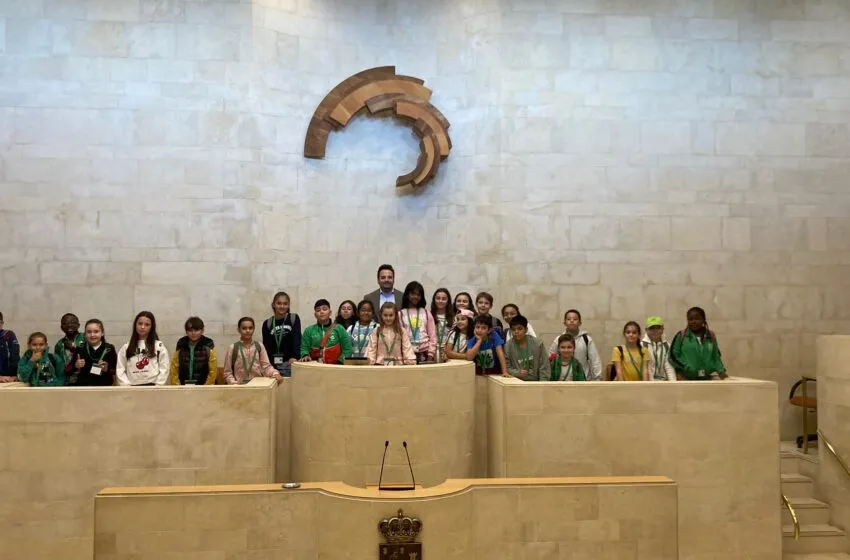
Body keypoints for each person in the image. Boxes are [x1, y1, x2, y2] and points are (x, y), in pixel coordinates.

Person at [670, 307, 728, 381]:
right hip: (685, 379)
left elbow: (716, 357)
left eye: (697, 318)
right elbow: (673, 357)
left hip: (705, 378)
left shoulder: (711, 335)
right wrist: (686, 367)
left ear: (703, 320)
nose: (693, 321)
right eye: (690, 319)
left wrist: (721, 372)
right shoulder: (681, 335)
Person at [116, 311, 169, 386]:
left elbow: (164, 369)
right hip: (132, 388)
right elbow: (120, 369)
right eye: (140, 324)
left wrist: (158, 386)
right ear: (135, 325)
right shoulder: (126, 347)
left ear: (152, 327)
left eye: (147, 324)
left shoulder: (159, 346)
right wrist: (127, 386)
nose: (143, 327)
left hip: (153, 387)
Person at [548, 309, 603, 381]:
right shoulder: (558, 339)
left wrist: (598, 377)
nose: (572, 321)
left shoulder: (586, 339)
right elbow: (550, 358)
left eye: (575, 319)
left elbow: (595, 360)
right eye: (568, 319)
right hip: (561, 382)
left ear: (580, 322)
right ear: (564, 323)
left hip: (583, 380)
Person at [223, 317, 282, 384]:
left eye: (250, 328)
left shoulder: (259, 346)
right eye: (244, 328)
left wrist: (275, 373)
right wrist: (233, 383)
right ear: (239, 330)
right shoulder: (233, 348)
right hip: (239, 386)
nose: (247, 330)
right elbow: (227, 373)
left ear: (254, 329)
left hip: (258, 385)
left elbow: (266, 367)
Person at [261, 291, 301, 378]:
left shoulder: (294, 318)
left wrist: (295, 357)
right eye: (279, 303)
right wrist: (269, 366)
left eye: (285, 304)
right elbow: (266, 346)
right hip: (273, 366)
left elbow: (297, 339)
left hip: (291, 364)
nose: (282, 306)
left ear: (289, 305)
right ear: (273, 305)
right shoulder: (267, 323)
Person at [300, 299, 352, 364]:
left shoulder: (339, 328)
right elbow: (304, 348)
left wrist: (339, 363)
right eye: (318, 310)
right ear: (315, 315)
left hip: (336, 368)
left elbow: (348, 349)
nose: (321, 312)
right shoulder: (309, 330)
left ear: (330, 312)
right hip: (315, 368)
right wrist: (305, 355)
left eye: (324, 309)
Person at [68, 319, 118, 386]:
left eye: (96, 331)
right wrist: (76, 365)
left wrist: (107, 369)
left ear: (102, 333)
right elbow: (69, 369)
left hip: (104, 386)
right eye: (89, 332)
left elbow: (116, 370)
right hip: (84, 386)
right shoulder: (80, 348)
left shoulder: (109, 348)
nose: (92, 335)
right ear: (85, 334)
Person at [168, 316, 217, 385]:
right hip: (183, 386)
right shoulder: (181, 344)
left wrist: (206, 387)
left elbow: (213, 371)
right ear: (186, 332)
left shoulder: (208, 344)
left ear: (202, 330)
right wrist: (177, 386)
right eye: (190, 330)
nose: (193, 333)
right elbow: (174, 369)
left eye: (196, 330)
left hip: (203, 387)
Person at [399, 281, 436, 362]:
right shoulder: (401, 314)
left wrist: (431, 354)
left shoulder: (426, 312)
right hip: (408, 353)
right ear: (407, 295)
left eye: (418, 294)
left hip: (425, 352)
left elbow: (432, 336)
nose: (415, 296)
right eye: (413, 294)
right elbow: (400, 337)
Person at [504, 315, 548, 381]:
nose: (516, 331)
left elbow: (544, 365)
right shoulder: (508, 346)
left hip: (536, 382)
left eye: (519, 329)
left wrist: (543, 383)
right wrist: (517, 373)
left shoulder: (537, 343)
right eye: (513, 329)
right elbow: (506, 366)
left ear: (526, 329)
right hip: (517, 382)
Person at [643, 316, 676, 382]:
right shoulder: (642, 346)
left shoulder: (667, 346)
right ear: (646, 330)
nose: (655, 330)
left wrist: (673, 383)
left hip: (663, 382)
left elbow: (669, 367)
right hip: (648, 382)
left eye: (658, 328)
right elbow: (646, 368)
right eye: (651, 328)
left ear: (663, 329)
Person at [54, 313, 84, 378]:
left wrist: (73, 347)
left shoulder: (85, 338)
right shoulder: (59, 344)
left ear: (78, 325)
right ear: (61, 327)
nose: (69, 325)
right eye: (65, 323)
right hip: (67, 380)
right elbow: (59, 366)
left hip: (84, 378)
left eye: (73, 322)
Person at [431, 288, 454, 363]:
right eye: (438, 298)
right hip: (432, 352)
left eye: (444, 299)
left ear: (448, 301)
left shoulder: (454, 318)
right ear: (434, 300)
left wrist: (448, 352)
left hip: (448, 353)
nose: (440, 301)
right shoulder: (429, 315)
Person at [0, 311, 20, 383]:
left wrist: (16, 375)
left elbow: (15, 356)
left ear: (2, 323)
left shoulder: (8, 335)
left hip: (9, 378)